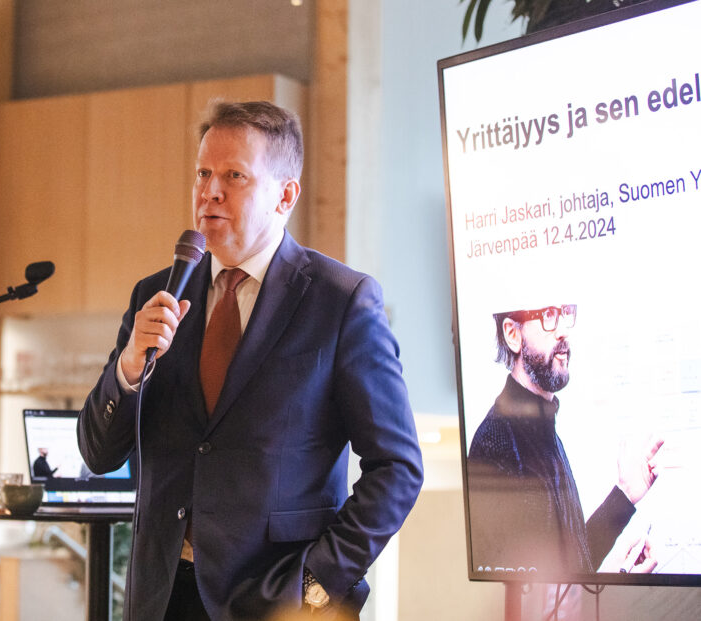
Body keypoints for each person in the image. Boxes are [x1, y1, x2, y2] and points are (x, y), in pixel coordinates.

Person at [77, 101, 423, 621]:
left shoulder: (340, 301)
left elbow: (397, 467)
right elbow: (98, 454)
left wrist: (316, 582)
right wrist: (127, 369)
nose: (210, 192)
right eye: (203, 174)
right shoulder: (158, 294)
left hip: (279, 601)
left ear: (285, 195)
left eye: (234, 176)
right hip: (161, 596)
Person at [467, 303, 663, 578]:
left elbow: (566, 563)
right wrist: (619, 581)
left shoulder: (543, 429)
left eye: (565, 312)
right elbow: (535, 594)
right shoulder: (496, 444)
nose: (563, 331)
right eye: (548, 314)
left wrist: (624, 495)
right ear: (512, 334)